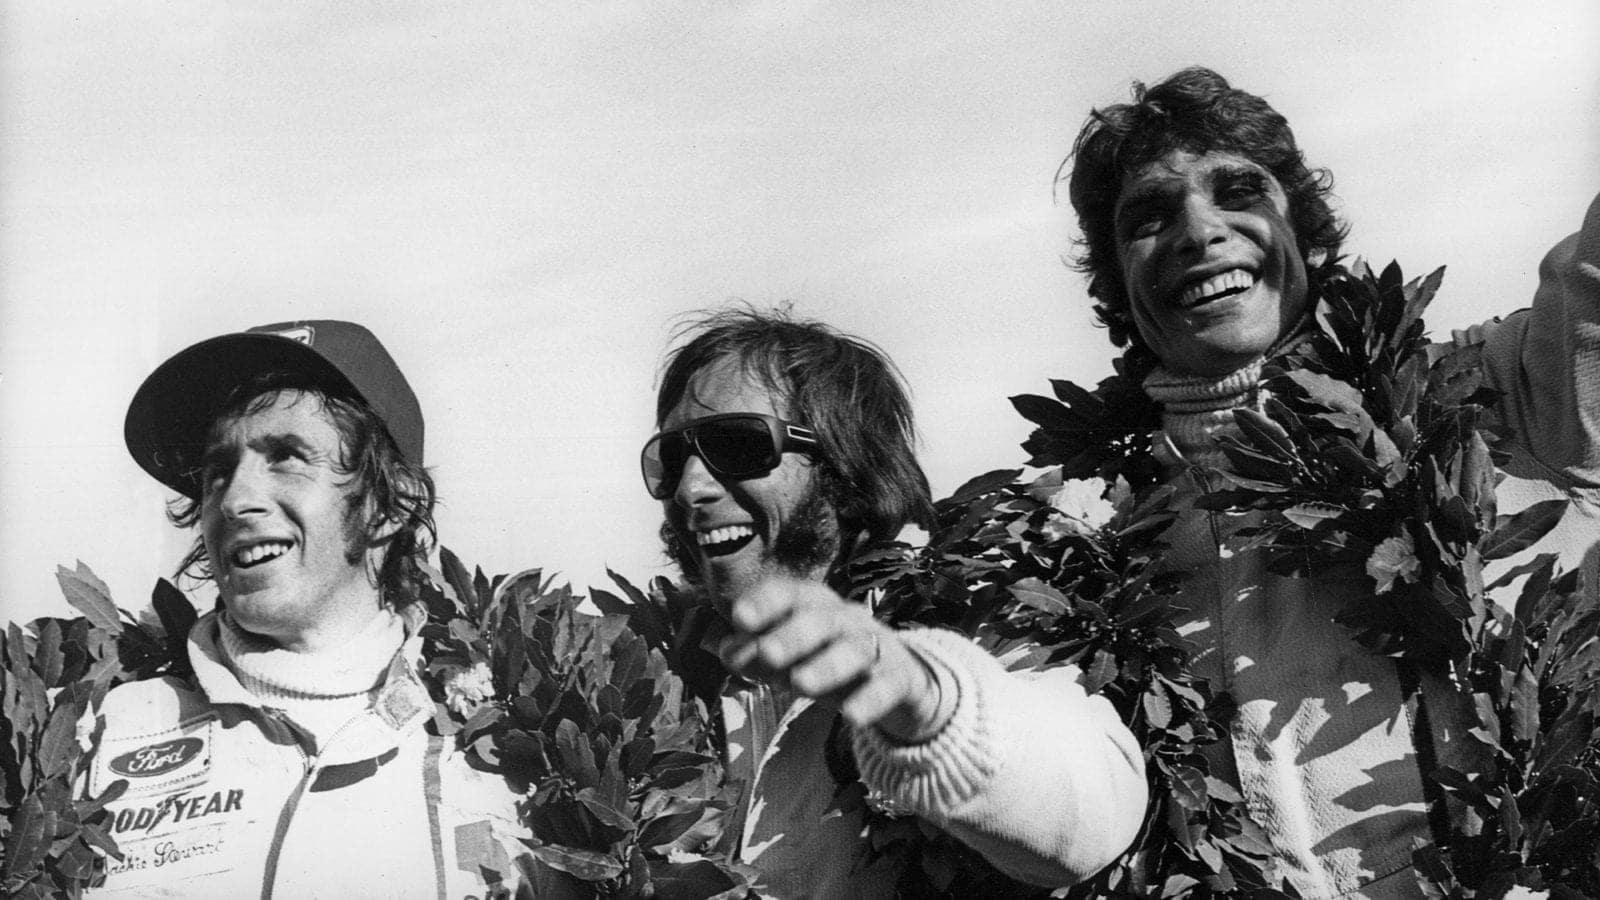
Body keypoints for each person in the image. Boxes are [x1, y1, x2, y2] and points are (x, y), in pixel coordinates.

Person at [1062, 67, 1599, 897]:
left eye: (1239, 190)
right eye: (1149, 217)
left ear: (1307, 232)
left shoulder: (1495, 398)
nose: (1199, 231)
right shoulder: (1101, 557)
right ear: (1115, 283)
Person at [641, 308, 1146, 897]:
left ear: (846, 464)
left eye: (737, 444)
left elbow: (1092, 822)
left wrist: (916, 694)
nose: (690, 487)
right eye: (672, 459)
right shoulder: (661, 672)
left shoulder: (983, 625)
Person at [88, 320, 530, 897]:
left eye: (287, 456)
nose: (236, 499)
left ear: (394, 501)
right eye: (218, 472)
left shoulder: (524, 739)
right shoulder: (101, 733)